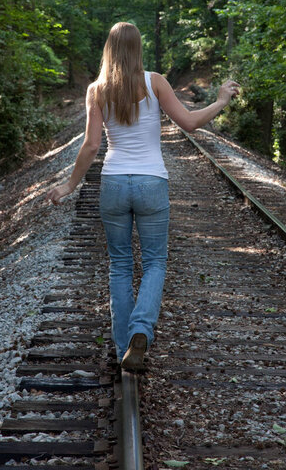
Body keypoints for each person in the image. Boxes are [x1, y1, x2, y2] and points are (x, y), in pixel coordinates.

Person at [46, 22, 240, 370]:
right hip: (152, 183)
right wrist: (221, 100)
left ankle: (125, 345)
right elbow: (191, 123)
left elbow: (92, 146)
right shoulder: (155, 82)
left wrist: (69, 185)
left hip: (114, 184)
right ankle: (140, 330)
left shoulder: (97, 90)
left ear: (108, 48)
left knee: (120, 265)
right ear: (138, 49)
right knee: (154, 263)